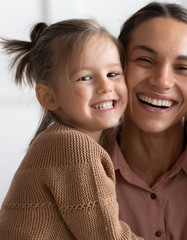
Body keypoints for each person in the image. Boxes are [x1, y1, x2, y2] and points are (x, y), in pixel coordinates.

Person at [0, 18, 142, 240]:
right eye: (85, 78)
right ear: (48, 96)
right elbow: (107, 236)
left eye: (113, 74)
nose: (105, 86)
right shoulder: (73, 146)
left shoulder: (54, 141)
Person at [102, 2, 187, 239]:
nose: (162, 81)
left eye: (182, 68)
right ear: (118, 66)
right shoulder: (78, 169)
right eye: (145, 60)